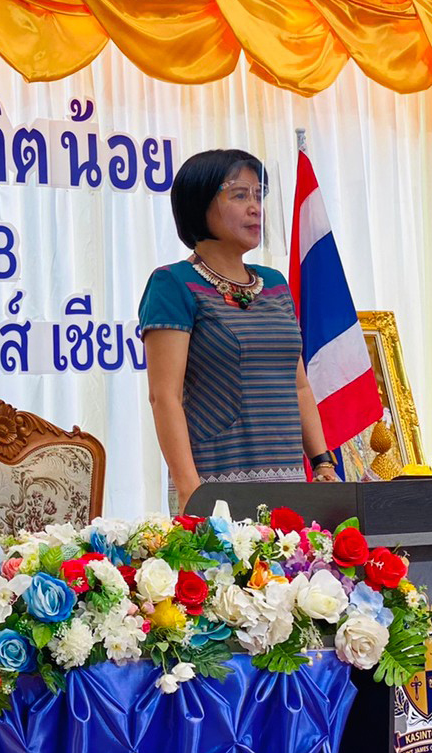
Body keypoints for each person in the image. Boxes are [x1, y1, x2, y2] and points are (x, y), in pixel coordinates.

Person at [138, 148, 338, 511]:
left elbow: (298, 386)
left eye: (259, 196)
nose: (255, 208)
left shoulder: (275, 284)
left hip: (290, 487)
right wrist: (191, 491)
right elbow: (164, 397)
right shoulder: (173, 283)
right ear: (199, 203)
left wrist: (322, 462)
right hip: (217, 489)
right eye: (240, 195)